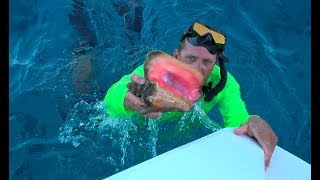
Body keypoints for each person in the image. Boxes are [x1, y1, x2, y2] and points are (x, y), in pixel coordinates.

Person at [104, 21, 278, 168]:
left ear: (215, 63)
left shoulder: (223, 83)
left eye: (206, 62)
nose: (197, 69)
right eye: (191, 58)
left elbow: (237, 121)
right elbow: (112, 96)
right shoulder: (155, 72)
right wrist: (127, 100)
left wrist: (251, 121)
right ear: (176, 56)